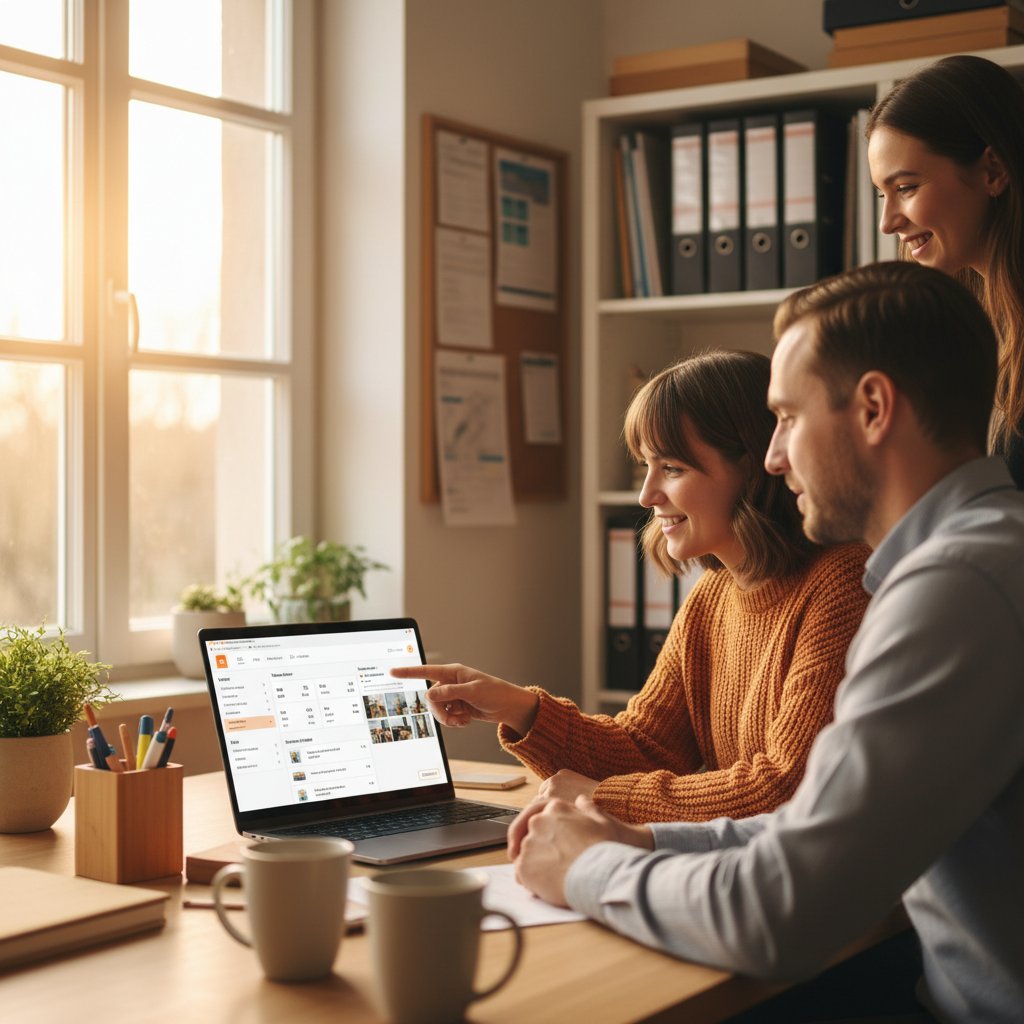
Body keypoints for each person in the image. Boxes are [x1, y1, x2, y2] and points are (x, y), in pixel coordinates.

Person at [511, 261, 1024, 1024]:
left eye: (786, 417)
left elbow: (778, 915)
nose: (774, 460)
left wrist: (591, 865)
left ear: (874, 408)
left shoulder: (955, 587)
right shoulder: (977, 555)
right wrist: (641, 838)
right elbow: (817, 819)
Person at [393, 350, 871, 824]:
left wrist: (602, 797)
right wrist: (519, 707)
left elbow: (786, 789)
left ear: (751, 468)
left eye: (673, 468)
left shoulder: (841, 584)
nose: (647, 495)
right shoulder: (713, 597)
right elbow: (645, 749)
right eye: (646, 466)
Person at [866, 53, 1024, 486]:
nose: (888, 222)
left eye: (907, 188)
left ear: (993, 171)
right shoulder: (973, 337)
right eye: (883, 195)